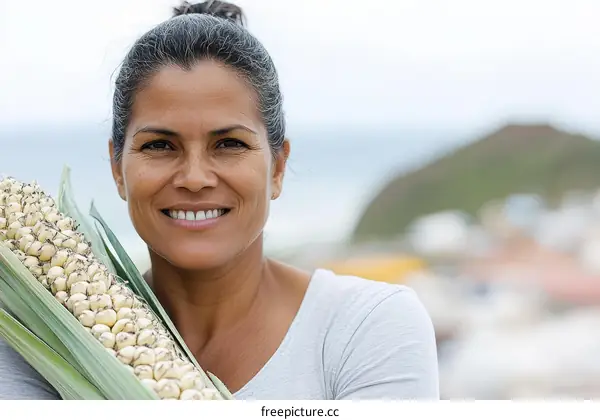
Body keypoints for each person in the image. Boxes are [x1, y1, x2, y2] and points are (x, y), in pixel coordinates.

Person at [0, 1, 439, 400]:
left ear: (278, 167)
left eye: (229, 144)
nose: (194, 178)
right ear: (118, 168)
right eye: (159, 145)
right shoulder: (35, 340)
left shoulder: (366, 328)